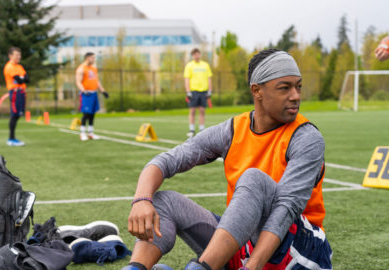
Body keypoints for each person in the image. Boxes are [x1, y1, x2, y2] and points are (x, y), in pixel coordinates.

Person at [122, 49, 332, 270]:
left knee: (253, 179)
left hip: (298, 248)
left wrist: (252, 266)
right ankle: (135, 268)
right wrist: (141, 200)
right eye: (285, 88)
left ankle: (202, 268)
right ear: (257, 90)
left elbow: (286, 209)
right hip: (246, 245)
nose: (296, 95)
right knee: (164, 202)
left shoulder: (306, 137)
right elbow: (166, 161)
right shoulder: (232, 130)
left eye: (298, 86)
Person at [76, 52, 109, 141]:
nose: (94, 60)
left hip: (94, 93)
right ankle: (82, 133)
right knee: (86, 113)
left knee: (92, 114)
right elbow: (78, 82)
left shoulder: (94, 69)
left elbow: (96, 81)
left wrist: (103, 91)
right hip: (87, 94)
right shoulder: (81, 69)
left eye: (94, 58)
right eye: (92, 58)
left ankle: (90, 133)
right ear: (87, 58)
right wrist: (83, 91)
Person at [184, 48, 213, 137]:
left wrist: (210, 90)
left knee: (202, 110)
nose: (196, 56)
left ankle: (201, 130)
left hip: (203, 91)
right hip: (193, 91)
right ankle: (192, 130)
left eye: (198, 54)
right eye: (194, 55)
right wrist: (188, 91)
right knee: (192, 111)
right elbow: (187, 79)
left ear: (200, 54)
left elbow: (209, 78)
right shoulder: (189, 66)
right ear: (192, 56)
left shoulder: (205, 65)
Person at [4, 47, 28, 147]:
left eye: (19, 54)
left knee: (18, 114)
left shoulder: (19, 66)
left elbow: (26, 79)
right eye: (16, 55)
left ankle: (12, 138)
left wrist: (22, 78)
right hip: (15, 92)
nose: (19, 57)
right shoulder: (9, 67)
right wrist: (21, 78)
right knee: (14, 114)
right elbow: (19, 80)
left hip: (21, 92)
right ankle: (11, 138)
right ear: (10, 56)